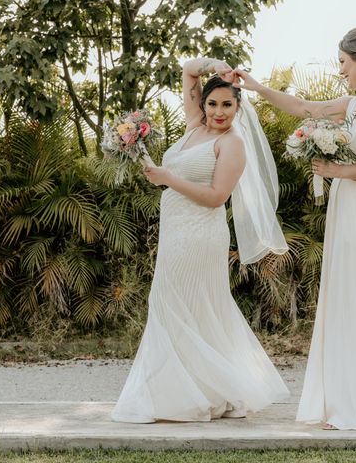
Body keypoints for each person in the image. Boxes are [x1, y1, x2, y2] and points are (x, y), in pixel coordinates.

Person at [233, 26, 356, 431]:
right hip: (348, 205)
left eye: (344, 63)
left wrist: (337, 170)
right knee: (346, 294)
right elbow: (303, 108)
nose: (341, 71)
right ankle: (345, 396)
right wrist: (256, 87)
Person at [111, 57, 289, 423]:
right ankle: (203, 389)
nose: (219, 112)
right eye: (213, 103)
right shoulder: (194, 126)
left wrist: (167, 178)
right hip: (175, 229)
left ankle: (193, 394)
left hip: (200, 234)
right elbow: (189, 70)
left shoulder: (232, 143)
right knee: (188, 306)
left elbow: (215, 196)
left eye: (227, 104)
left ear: (239, 107)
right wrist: (217, 65)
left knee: (178, 303)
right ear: (203, 104)